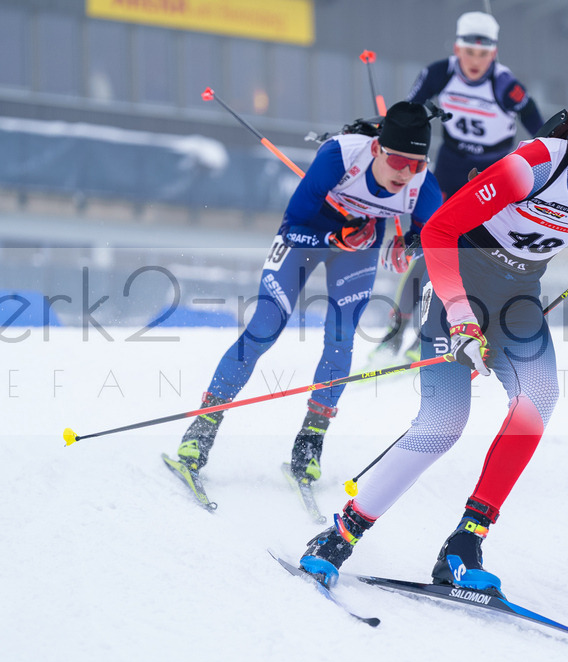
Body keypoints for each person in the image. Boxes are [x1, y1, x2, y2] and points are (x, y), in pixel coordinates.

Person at [299, 85, 568, 592]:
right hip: (458, 279)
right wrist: (461, 316)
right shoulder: (534, 165)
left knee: (538, 400)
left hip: (517, 296)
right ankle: (340, 534)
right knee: (443, 423)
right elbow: (439, 231)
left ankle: (464, 543)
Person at [163, 101, 443, 508]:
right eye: (398, 159)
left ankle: (308, 450)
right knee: (263, 328)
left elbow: (436, 235)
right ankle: (200, 434)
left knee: (341, 339)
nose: (405, 173)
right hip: (307, 237)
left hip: (357, 250)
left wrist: (409, 245)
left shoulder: (423, 184)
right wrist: (334, 239)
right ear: (379, 149)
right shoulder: (339, 157)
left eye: (416, 164)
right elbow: (294, 224)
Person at [375, 11, 545, 362]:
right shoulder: (440, 72)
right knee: (428, 245)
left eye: (483, 55)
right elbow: (410, 111)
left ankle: (433, 333)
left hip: (492, 175)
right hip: (451, 168)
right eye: (469, 52)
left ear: (494, 54)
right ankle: (394, 333)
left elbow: (541, 130)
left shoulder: (506, 86)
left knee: (468, 255)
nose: (475, 62)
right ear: (457, 48)